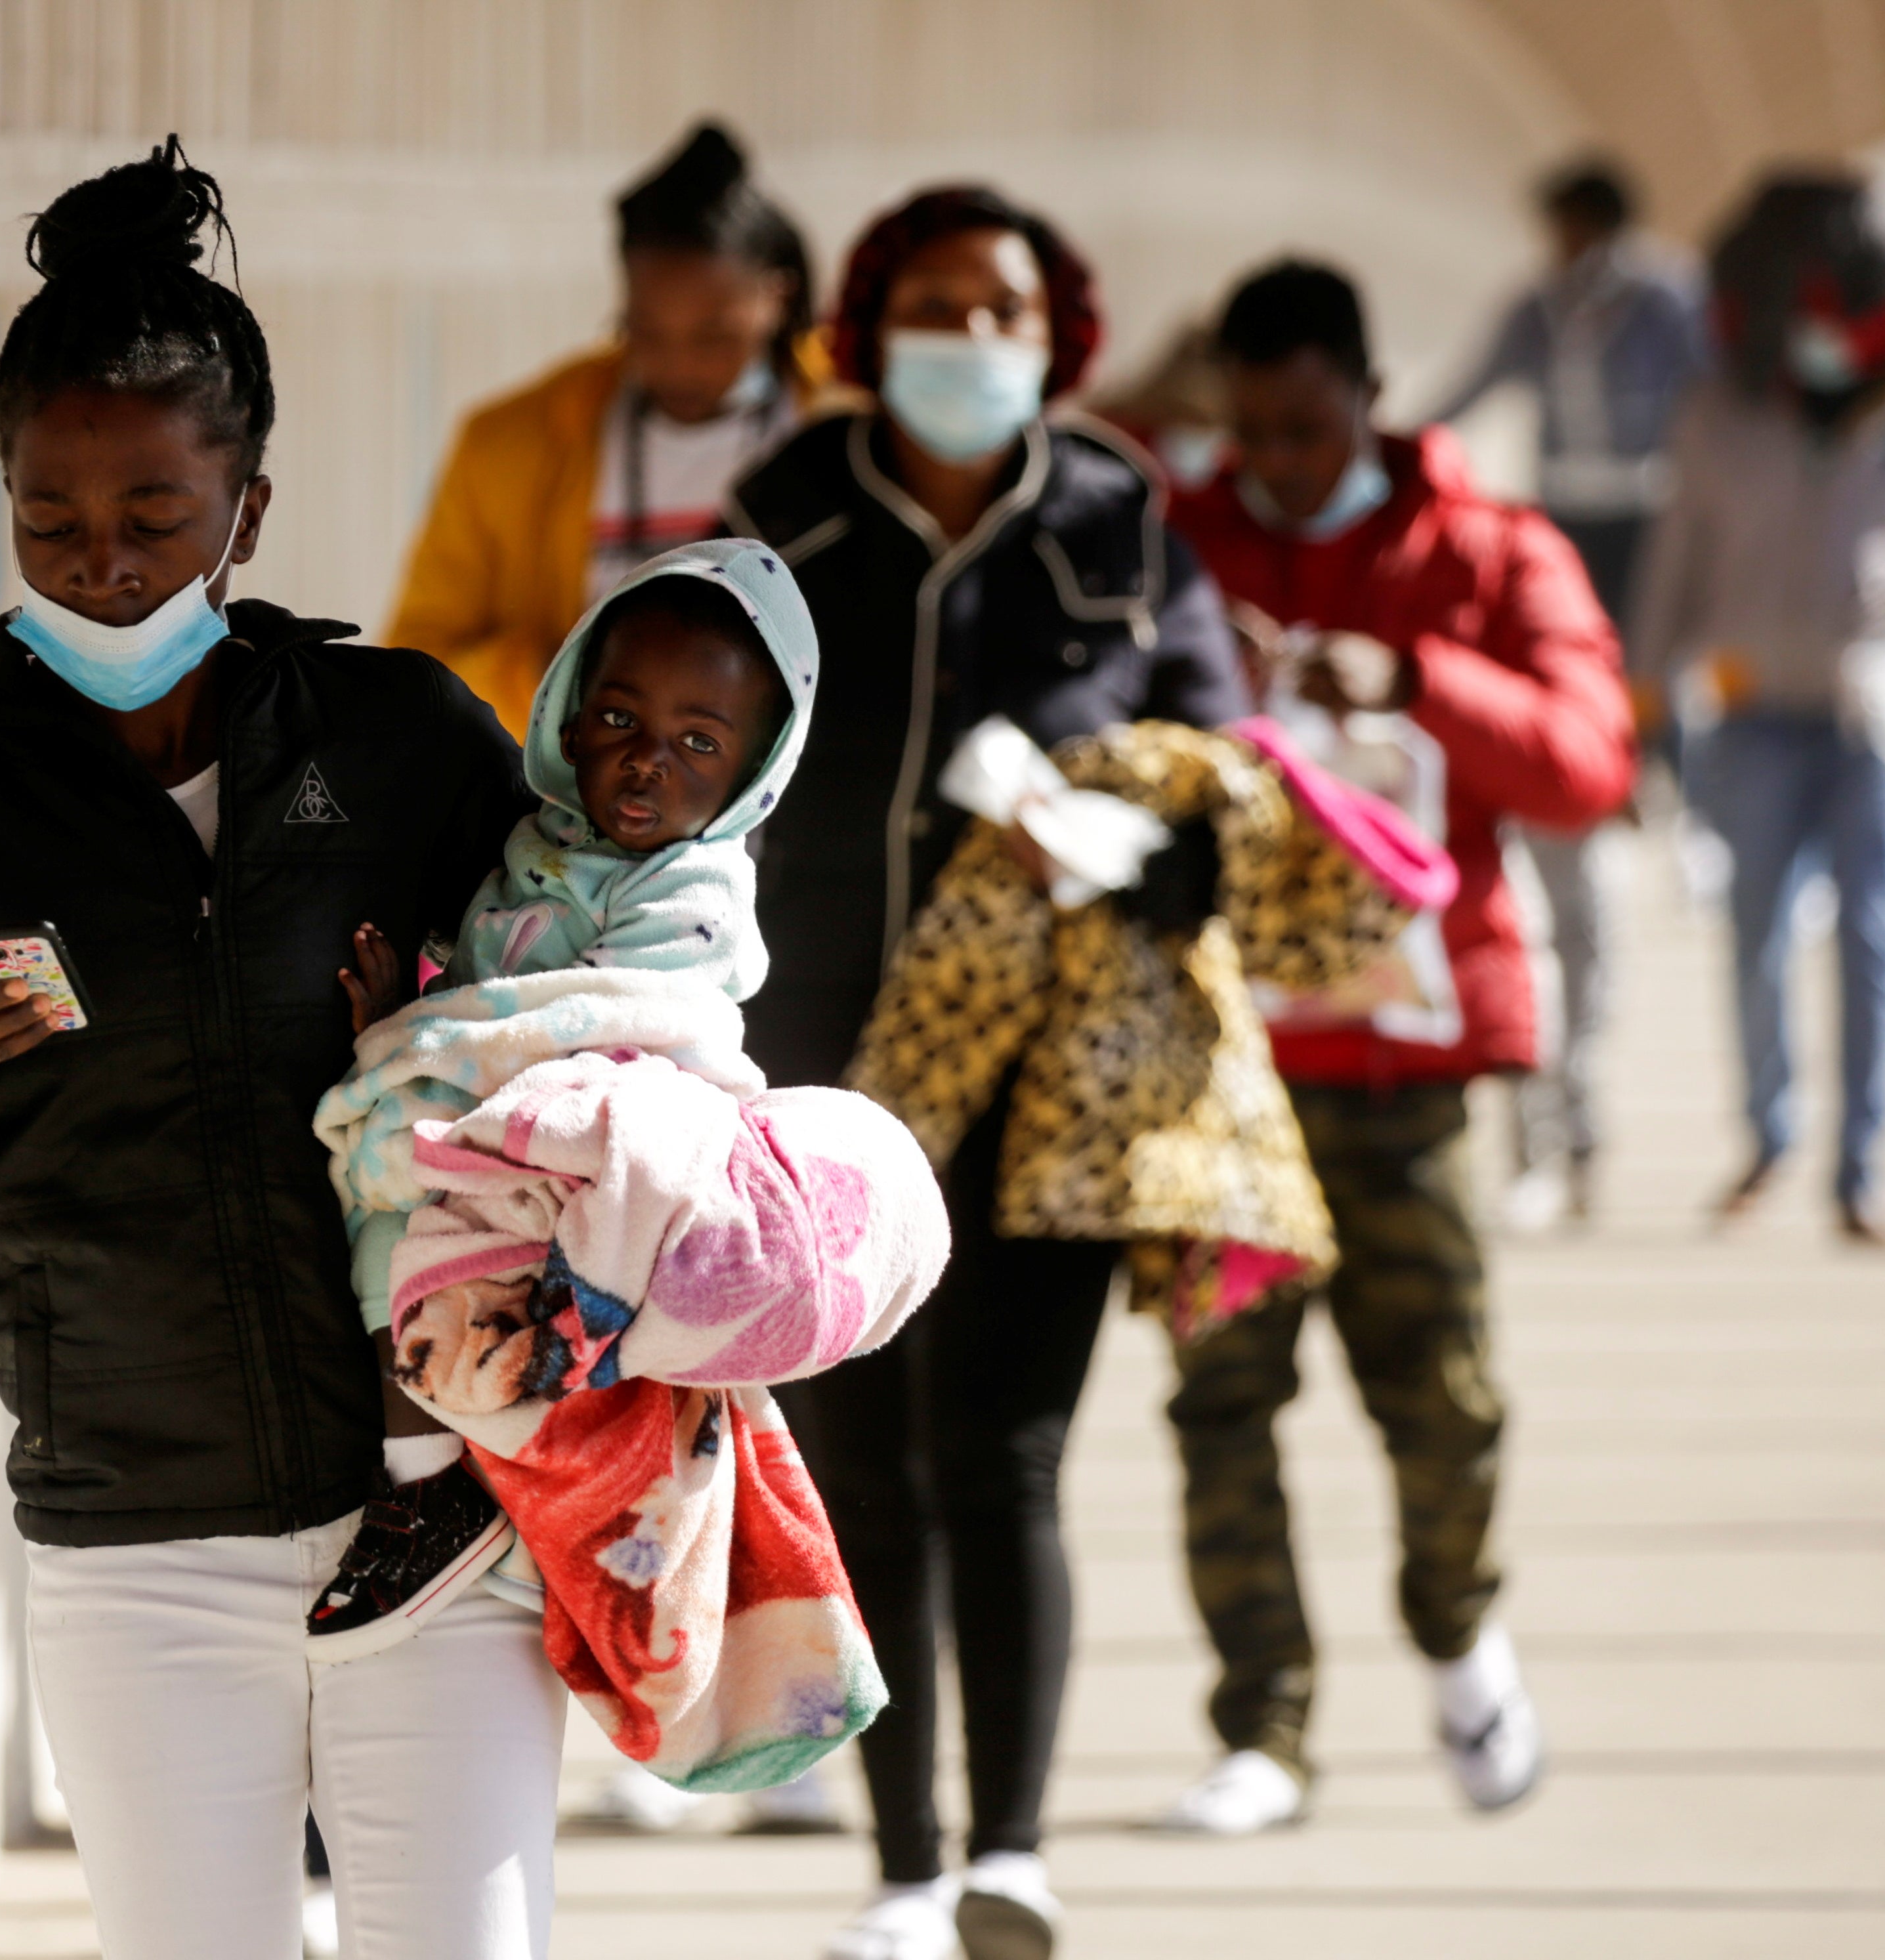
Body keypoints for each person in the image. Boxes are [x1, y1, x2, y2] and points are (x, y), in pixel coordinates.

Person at [0, 142, 562, 1959]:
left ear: (248, 513)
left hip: (441, 1504)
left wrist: (454, 1043)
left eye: (155, 521)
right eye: (49, 519)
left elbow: (592, 1005)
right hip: (132, 1541)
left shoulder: (399, 738)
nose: (101, 568)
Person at [725, 184, 1246, 1960]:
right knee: (861, 1464)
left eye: (1000, 306)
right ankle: (901, 1866)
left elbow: (1216, 781)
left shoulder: (1116, 510)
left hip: (1047, 1082)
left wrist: (1106, 833)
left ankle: (1011, 1854)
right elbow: (681, 751)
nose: (966, 336)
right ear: (867, 327)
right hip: (820, 1067)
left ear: (1058, 330)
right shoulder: (782, 510)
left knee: (1005, 1455)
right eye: (930, 304)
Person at [1154, 259, 1636, 1836]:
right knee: (1222, 1401)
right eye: (1249, 434)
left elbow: (1584, 763)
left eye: (1305, 428)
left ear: (1368, 395)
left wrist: (1421, 683)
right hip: (1217, 1073)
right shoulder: (1178, 541)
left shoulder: (1488, 549)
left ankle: (1455, 1624)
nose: (1278, 464)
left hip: (1406, 1066)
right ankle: (1264, 1725)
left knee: (1439, 1399)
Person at [305, 541, 811, 1657]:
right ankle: (444, 1485)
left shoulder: (696, 887)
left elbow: (618, 1017)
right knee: (381, 1243)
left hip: (602, 1152)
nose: (648, 766)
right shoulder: (539, 847)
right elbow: (494, 983)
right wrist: (410, 1017)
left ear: (752, 773)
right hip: (504, 1119)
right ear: (567, 722)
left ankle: (442, 1494)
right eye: (621, 723)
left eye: (698, 743)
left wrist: (442, 1054)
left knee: (439, 1269)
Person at [1628, 172, 1885, 1246]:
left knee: (1872, 934)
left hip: (1878, 712)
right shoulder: (1717, 421)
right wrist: (1636, 706)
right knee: (1756, 931)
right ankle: (1768, 1136)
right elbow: (1674, 568)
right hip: (1752, 716)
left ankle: (1861, 1169)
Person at [1429, 158, 1708, 1227]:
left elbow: (1707, 387)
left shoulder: (1665, 296)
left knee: (1640, 659)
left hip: (1648, 503)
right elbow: (1469, 385)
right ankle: (1554, 1136)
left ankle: (1654, 782)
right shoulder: (1537, 310)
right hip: (1571, 498)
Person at [387, 119, 828, 739]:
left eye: (714, 336)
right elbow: (410, 668)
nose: (680, 366)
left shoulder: (853, 423)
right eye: (645, 333)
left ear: (777, 298)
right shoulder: (509, 444)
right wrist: (554, 686)